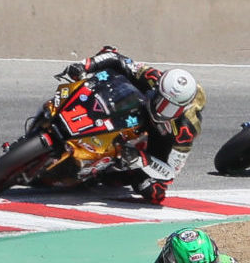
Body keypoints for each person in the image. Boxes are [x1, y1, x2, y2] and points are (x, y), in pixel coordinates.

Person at [53, 46, 202, 204]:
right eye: (161, 100)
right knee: (107, 54)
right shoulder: (152, 76)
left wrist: (142, 159)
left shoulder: (185, 131)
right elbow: (115, 57)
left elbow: (170, 172)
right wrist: (85, 65)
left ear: (182, 108)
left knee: (153, 191)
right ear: (158, 87)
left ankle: (102, 171)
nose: (161, 110)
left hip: (159, 140)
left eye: (170, 108)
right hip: (139, 103)